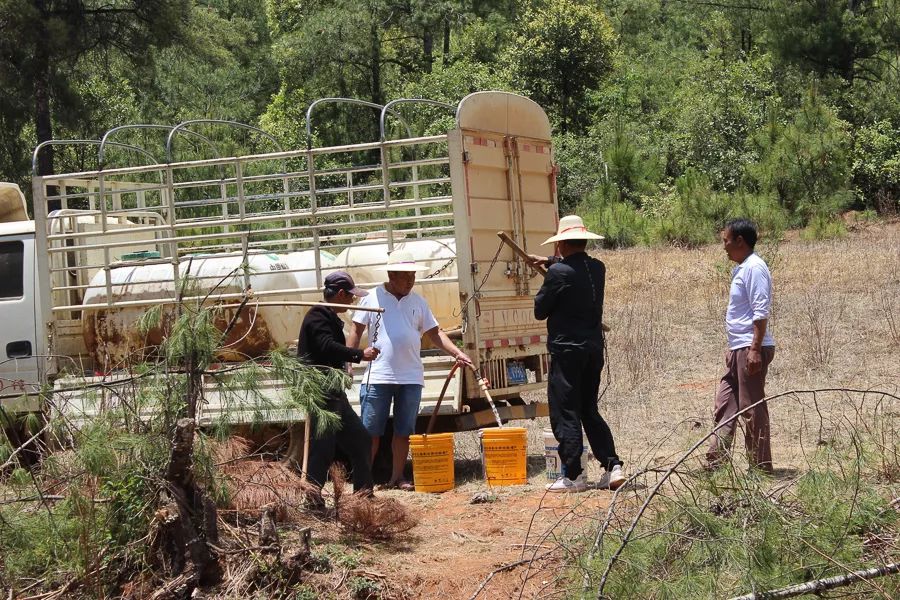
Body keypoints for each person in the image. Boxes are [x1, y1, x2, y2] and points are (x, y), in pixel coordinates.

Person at [347, 249, 473, 490]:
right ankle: (364, 481)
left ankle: (398, 477)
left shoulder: (418, 301)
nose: (410, 281)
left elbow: (435, 333)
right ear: (392, 275)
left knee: (404, 431)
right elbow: (356, 331)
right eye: (406, 276)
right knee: (371, 432)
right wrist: (348, 362)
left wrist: (457, 352)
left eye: (413, 276)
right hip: (379, 376)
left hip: (411, 377)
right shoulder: (372, 297)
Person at [528, 215, 625, 493]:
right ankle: (612, 466)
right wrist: (550, 261)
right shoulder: (598, 269)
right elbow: (575, 268)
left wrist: (551, 270)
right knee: (588, 409)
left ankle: (573, 475)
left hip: (567, 352)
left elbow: (540, 310)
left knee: (565, 412)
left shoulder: (559, 274)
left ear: (561, 245)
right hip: (593, 349)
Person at [297, 271, 380, 505]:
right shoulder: (317, 317)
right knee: (322, 449)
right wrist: (358, 354)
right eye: (350, 296)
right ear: (341, 294)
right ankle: (313, 501)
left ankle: (363, 496)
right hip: (320, 393)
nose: (353, 300)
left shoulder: (329, 317)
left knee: (361, 440)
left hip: (334, 393)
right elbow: (326, 346)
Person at [706, 218, 775, 472]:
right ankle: (716, 464)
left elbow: (760, 311)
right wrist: (735, 348)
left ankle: (760, 468)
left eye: (726, 240)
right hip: (739, 348)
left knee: (751, 408)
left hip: (750, 348)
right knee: (725, 404)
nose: (723, 246)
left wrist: (754, 349)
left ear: (739, 241)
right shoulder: (742, 268)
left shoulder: (755, 268)